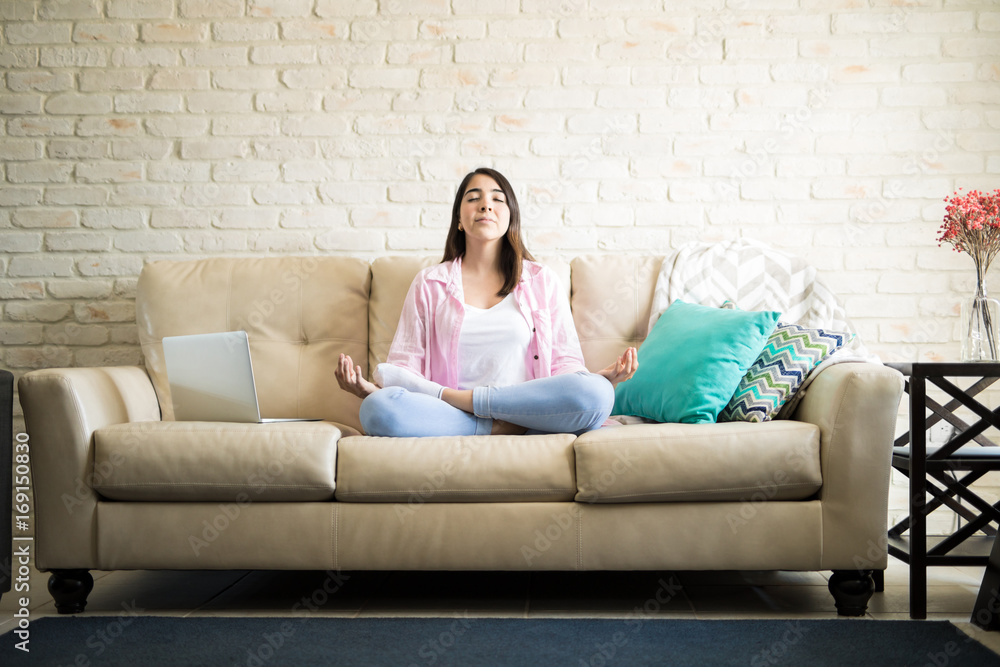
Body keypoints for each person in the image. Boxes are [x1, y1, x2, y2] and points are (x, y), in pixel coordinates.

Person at [335, 167, 638, 437]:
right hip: (450, 415)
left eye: (497, 198)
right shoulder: (430, 283)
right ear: (459, 219)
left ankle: (486, 411)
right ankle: (494, 426)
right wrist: (372, 390)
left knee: (597, 394)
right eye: (473, 198)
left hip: (525, 411)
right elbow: (405, 372)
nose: (485, 205)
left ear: (510, 216)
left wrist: (598, 379)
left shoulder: (541, 281)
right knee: (377, 409)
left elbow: (565, 364)